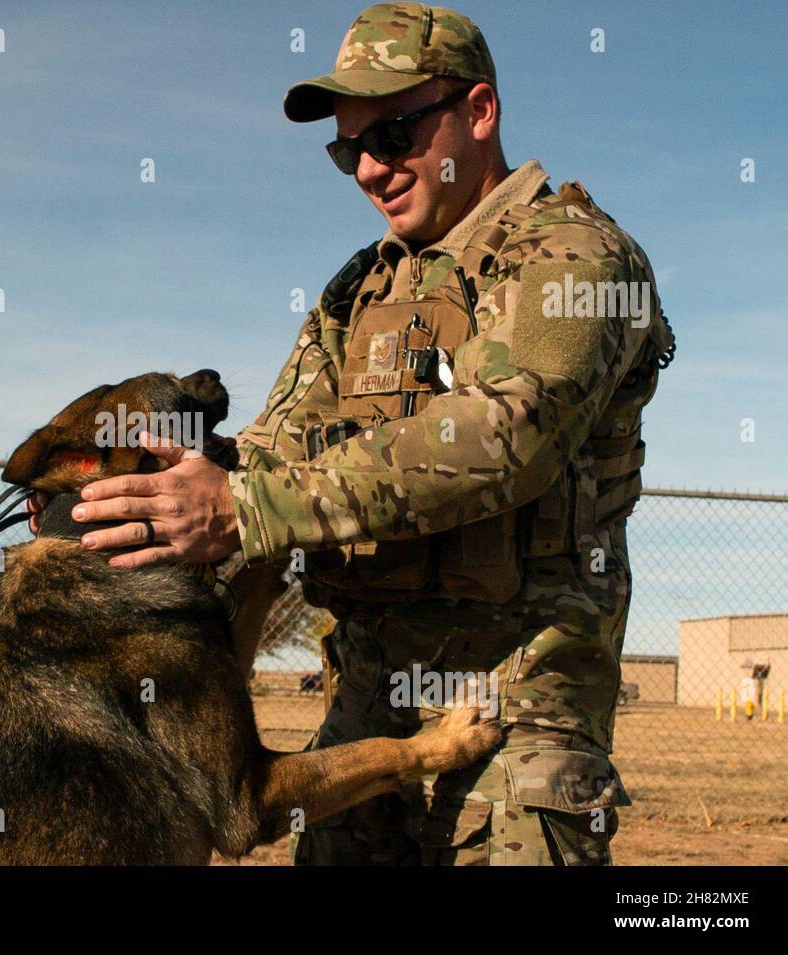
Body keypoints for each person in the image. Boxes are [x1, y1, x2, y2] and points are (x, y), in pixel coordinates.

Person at [43, 2, 674, 865]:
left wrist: (244, 509)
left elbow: (506, 435)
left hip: (517, 727)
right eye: (349, 151)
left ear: (479, 110)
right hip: (367, 722)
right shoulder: (358, 292)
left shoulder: (575, 257)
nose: (371, 170)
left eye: (394, 134)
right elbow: (272, 449)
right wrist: (132, 494)